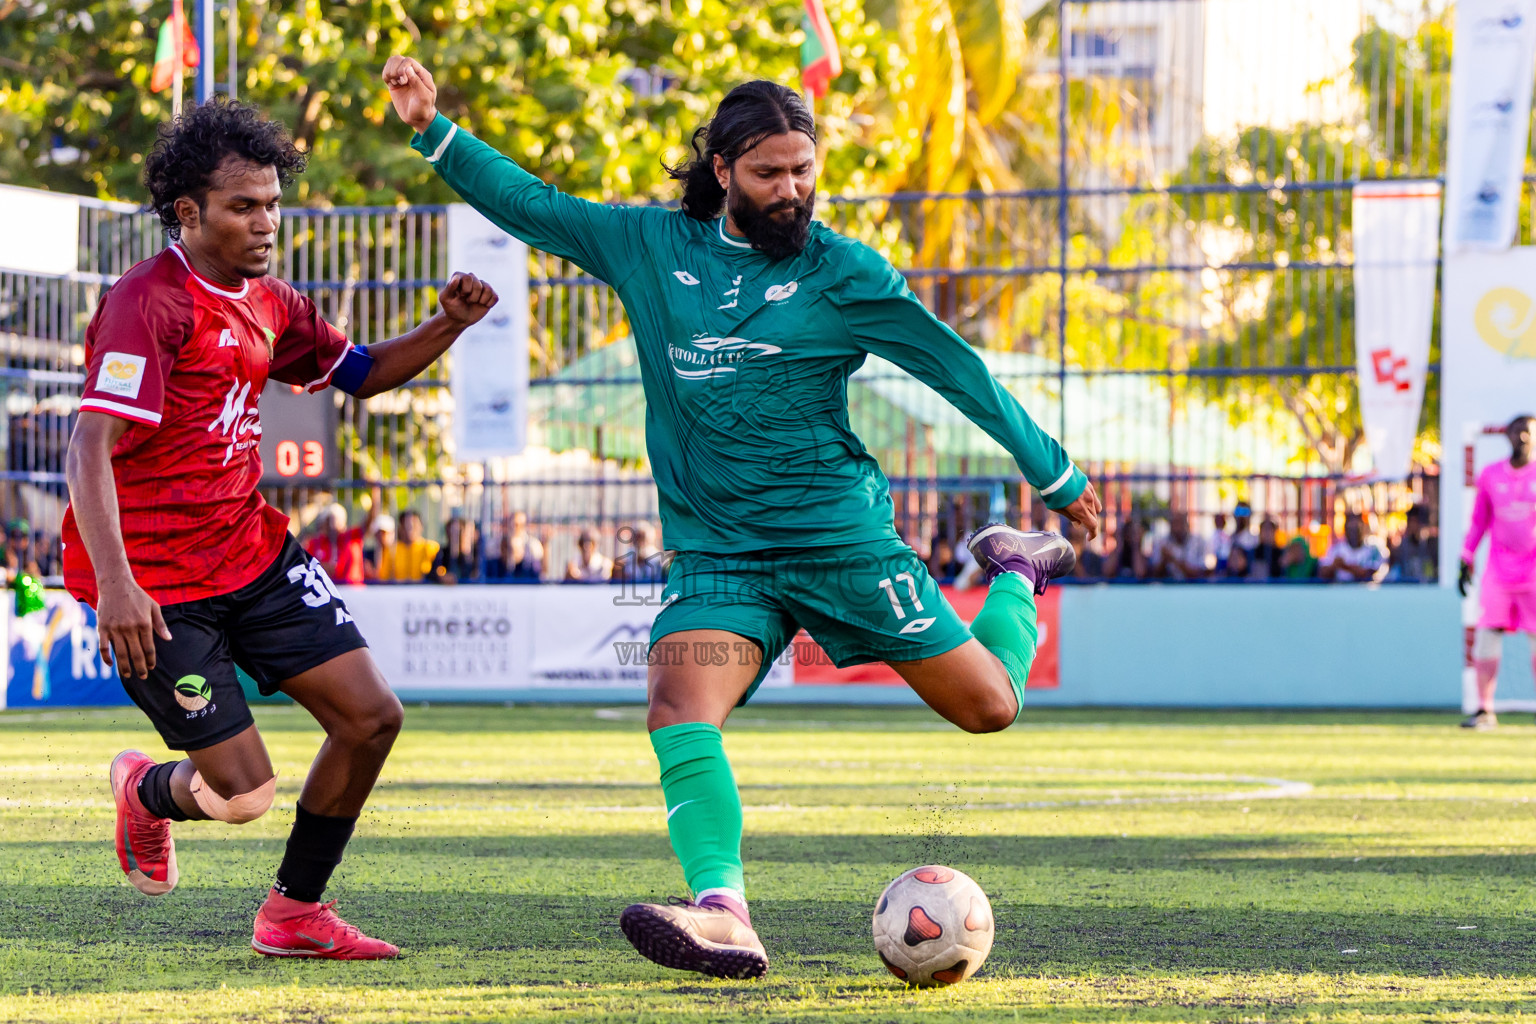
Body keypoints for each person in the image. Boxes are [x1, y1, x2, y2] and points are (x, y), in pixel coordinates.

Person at [385, 60, 1099, 979]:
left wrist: (1053, 468)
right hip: (720, 556)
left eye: (804, 170)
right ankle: (723, 910)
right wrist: (432, 126)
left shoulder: (845, 272)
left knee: (990, 709)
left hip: (841, 543)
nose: (792, 189)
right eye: (770, 173)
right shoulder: (650, 248)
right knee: (678, 702)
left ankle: (1014, 570)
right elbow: (532, 205)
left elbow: (957, 370)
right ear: (722, 170)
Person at [64, 100, 497, 959]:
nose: (265, 224)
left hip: (251, 554)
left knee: (373, 718)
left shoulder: (272, 302)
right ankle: (148, 794)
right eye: (242, 207)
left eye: (271, 204)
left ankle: (295, 913)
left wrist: (448, 322)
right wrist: (117, 584)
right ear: (188, 213)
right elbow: (87, 445)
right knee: (242, 796)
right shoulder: (145, 305)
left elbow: (365, 375)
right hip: (158, 585)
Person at [1458, 415, 1536, 729]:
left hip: (1533, 574)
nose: (1525, 435)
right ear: (1508, 435)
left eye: (1530, 430)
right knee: (1486, 638)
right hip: (1499, 573)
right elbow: (1478, 521)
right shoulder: (1490, 475)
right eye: (1519, 430)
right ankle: (1484, 710)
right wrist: (1465, 557)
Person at [301, 484, 381, 585]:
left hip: (353, 590)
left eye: (334, 520)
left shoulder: (352, 536)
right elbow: (304, 565)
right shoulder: (315, 542)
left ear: (342, 522)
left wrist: (375, 491)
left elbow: (371, 519)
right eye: (327, 520)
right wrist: (321, 567)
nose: (330, 525)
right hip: (327, 593)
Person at [1319, 512, 1388, 583]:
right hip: (1341, 590)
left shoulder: (1374, 548)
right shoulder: (1336, 548)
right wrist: (1333, 566)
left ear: (1363, 528)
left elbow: (1368, 574)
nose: (1353, 534)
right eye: (1350, 529)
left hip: (1367, 591)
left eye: (1356, 529)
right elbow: (1323, 572)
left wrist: (1343, 566)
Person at [376, 508, 439, 582]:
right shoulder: (392, 550)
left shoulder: (431, 547)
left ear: (421, 526)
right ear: (400, 527)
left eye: (414, 524)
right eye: (406, 524)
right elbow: (384, 577)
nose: (410, 528)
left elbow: (439, 573)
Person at [1149, 512, 1211, 580]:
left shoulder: (1199, 541)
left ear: (1187, 525)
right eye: (1174, 524)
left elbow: (1198, 573)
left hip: (1193, 587)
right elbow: (1155, 574)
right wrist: (1164, 559)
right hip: (1168, 587)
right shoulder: (1162, 542)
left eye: (1180, 524)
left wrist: (1174, 559)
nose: (1177, 528)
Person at [1389, 503, 1437, 583]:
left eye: (1415, 522)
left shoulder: (1429, 547)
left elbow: (1431, 573)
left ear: (1422, 524)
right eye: (1410, 522)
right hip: (1407, 588)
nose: (1412, 526)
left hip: (1426, 589)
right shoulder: (1403, 547)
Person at [612, 520, 667, 584]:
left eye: (642, 539)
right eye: (636, 539)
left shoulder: (660, 560)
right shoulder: (625, 561)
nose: (639, 543)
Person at [432, 515, 481, 583]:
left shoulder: (478, 554)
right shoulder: (442, 553)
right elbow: (433, 573)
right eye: (451, 533)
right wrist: (442, 577)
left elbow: (484, 575)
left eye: (459, 532)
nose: (454, 537)